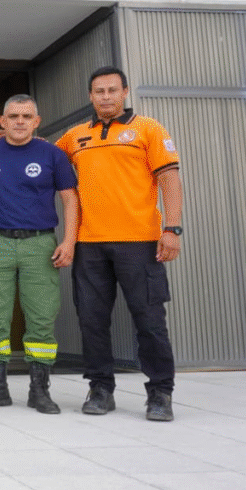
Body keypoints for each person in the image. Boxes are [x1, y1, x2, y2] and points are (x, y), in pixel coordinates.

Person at [56, 66, 183, 421]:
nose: (106, 97)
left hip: (139, 243)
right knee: (92, 320)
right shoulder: (75, 136)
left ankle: (160, 393)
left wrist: (172, 228)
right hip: (90, 245)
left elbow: (170, 179)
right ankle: (100, 389)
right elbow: (42, 157)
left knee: (150, 320)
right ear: (90, 96)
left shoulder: (149, 129)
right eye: (99, 91)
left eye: (112, 90)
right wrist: (2, 137)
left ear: (125, 92)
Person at [0, 94, 77, 414]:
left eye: (27, 116)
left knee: (41, 316)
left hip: (40, 244)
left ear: (36, 122)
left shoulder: (52, 154)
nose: (20, 122)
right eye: (13, 116)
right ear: (2, 121)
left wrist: (69, 242)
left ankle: (40, 390)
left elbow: (70, 199)